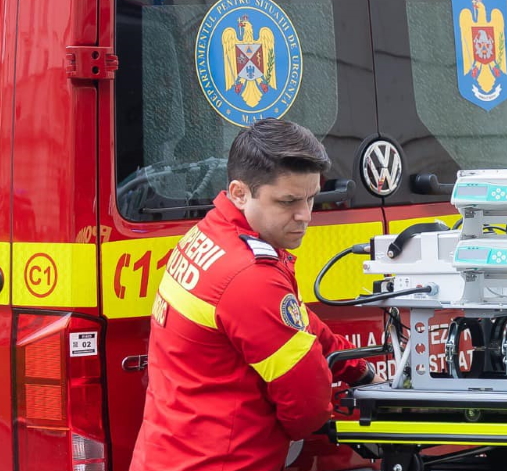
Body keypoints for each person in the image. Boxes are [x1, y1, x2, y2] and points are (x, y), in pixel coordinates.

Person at [131, 119, 380, 471]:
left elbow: (297, 323)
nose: (305, 215)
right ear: (239, 192)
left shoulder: (210, 235)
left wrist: (358, 370)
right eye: (288, 201)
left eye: (311, 198)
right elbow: (306, 407)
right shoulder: (250, 275)